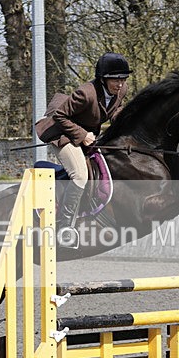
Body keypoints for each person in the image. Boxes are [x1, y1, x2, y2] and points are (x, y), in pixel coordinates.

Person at [36, 52, 132, 248]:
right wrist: (83, 135)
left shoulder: (120, 90)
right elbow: (60, 116)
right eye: (116, 79)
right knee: (80, 175)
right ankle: (64, 227)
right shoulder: (85, 93)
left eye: (123, 79)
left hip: (82, 131)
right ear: (103, 79)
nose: (120, 84)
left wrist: (127, 118)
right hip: (61, 133)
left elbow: (114, 109)